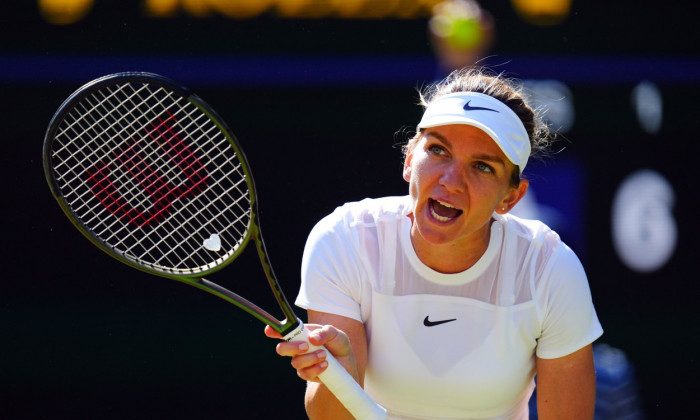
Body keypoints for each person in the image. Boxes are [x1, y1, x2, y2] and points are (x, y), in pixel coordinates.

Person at [265, 67, 603, 420]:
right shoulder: (345, 240)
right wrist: (342, 369)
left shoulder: (549, 268)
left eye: (483, 167)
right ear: (410, 159)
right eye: (439, 150)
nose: (452, 181)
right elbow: (330, 417)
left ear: (511, 198)